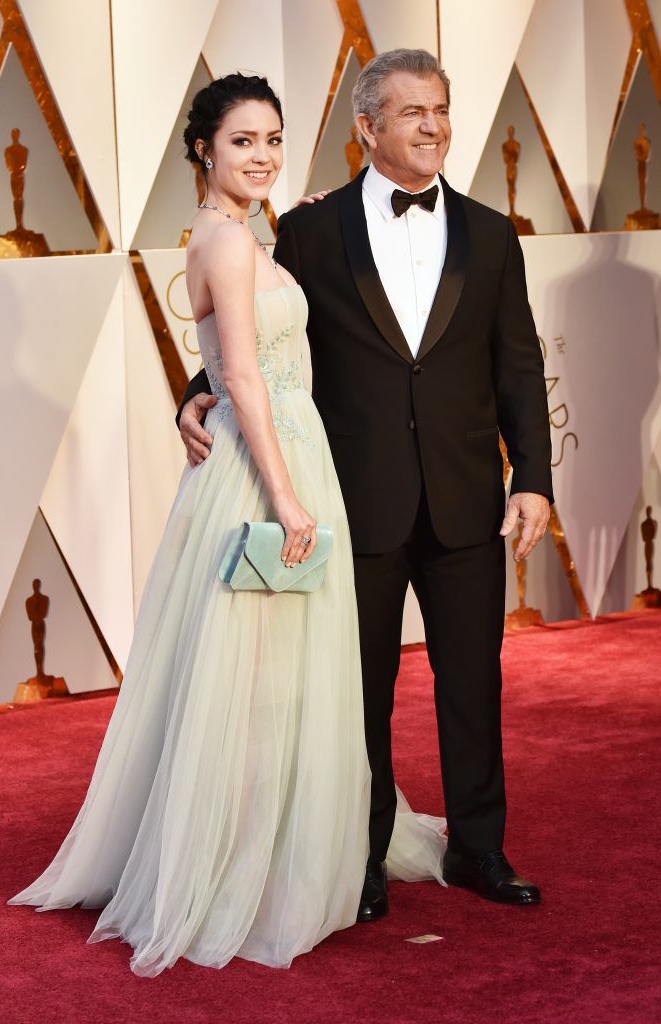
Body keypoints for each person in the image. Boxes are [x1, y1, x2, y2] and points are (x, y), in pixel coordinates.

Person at [9, 73, 445, 976]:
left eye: (274, 140)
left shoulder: (240, 237)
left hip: (282, 455)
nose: (263, 156)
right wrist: (284, 496)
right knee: (252, 678)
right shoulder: (227, 243)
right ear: (203, 149)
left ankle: (274, 850)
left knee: (273, 672)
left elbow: (229, 361)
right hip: (265, 469)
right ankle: (241, 867)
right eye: (243, 141)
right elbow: (243, 376)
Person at [179, 50, 553, 920]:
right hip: (353, 498)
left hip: (466, 497)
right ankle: (364, 854)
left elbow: (519, 363)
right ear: (366, 128)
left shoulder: (493, 234)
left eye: (441, 110)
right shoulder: (309, 231)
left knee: (474, 680)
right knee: (357, 688)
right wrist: (192, 397)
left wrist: (530, 475)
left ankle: (479, 849)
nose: (432, 126)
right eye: (412, 111)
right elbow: (251, 337)